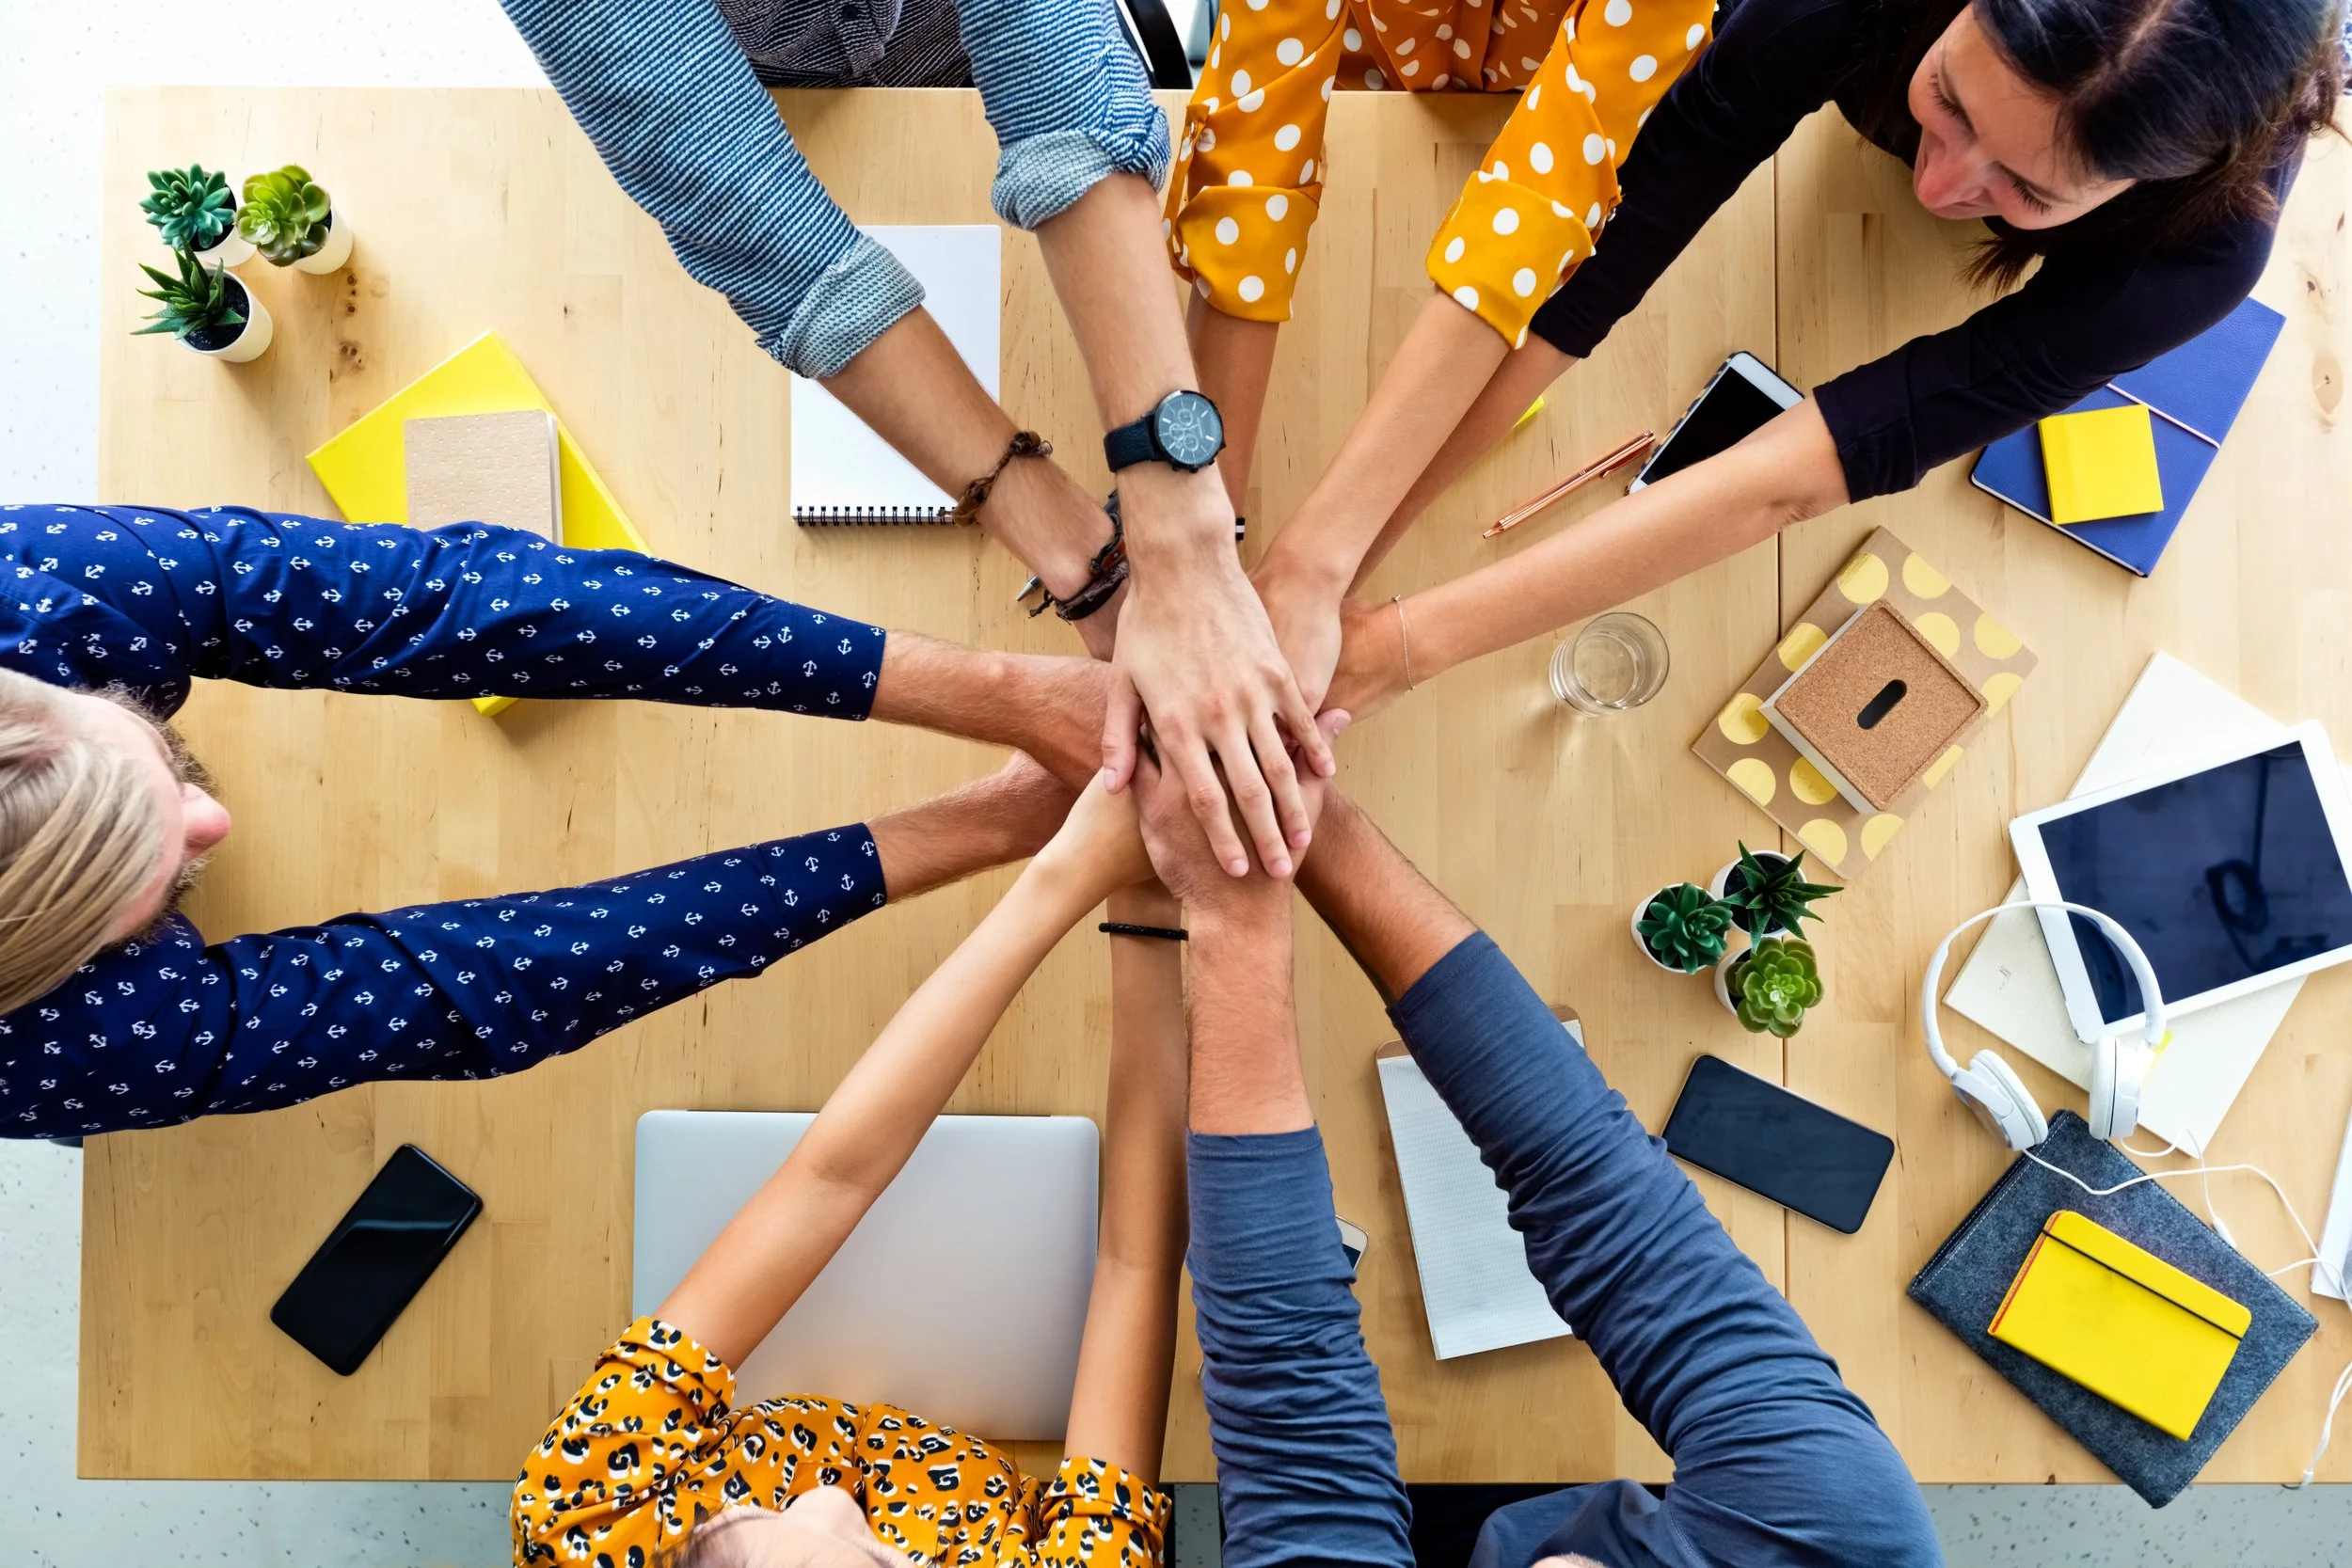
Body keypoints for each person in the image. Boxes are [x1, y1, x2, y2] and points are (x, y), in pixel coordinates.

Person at [1227, 0, 2343, 720]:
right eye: (1948, 102)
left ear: (2148, 186)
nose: (1941, 189)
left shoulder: (2204, 256)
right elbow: (1609, 255)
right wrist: (1325, 564)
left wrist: (1399, 644)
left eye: (2026, 190)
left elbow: (1805, 467)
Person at [499, 0, 1336, 879]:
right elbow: (768, 233)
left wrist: (1186, 543)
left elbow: (1057, 79)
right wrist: (1091, 565)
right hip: (757, 93)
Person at [0, 501, 1107, 1140]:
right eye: (129, 900)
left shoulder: (30, 586)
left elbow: (469, 604)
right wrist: (995, 822)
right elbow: (490, 976)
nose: (219, 816)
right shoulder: (56, 1048)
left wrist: (1010, 694)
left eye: (149, 765)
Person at [1125, 750, 1941, 1563]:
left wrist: (1229, 882)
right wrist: (1279, 794)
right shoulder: (1849, 1533)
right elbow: (1596, 1191)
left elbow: (1292, 1417)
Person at [511, 782, 1186, 1568]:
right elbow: (1137, 1264)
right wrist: (1147, 898)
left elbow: (831, 1177)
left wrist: (1068, 870)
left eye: (757, 1531)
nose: (832, 1503)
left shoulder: (588, 1523)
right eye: (869, 1553)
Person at [1166, 0, 1716, 504]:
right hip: (1352, 111)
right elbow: (1257, 143)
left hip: (1590, 149)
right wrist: (1212, 506)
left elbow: (1553, 184)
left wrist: (1320, 558)